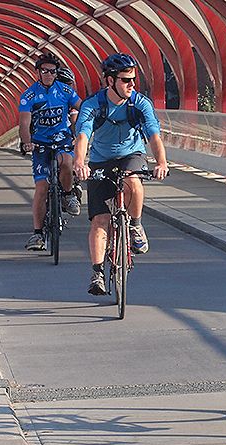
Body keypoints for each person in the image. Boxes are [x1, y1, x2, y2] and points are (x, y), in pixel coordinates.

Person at [73, 53, 169, 296]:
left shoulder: (140, 104)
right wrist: (79, 162)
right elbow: (83, 135)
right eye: (126, 80)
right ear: (110, 81)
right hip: (100, 160)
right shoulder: (93, 105)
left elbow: (154, 136)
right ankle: (97, 273)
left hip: (131, 154)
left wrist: (161, 162)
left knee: (133, 181)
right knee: (100, 220)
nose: (132, 85)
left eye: (133, 79)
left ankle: (135, 226)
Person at [19, 52, 83, 251]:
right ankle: (37, 234)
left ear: (56, 74)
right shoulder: (29, 95)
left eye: (52, 71)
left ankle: (67, 194)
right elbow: (24, 122)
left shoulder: (65, 91)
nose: (48, 74)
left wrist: (86, 128)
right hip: (40, 144)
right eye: (44, 71)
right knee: (41, 188)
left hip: (62, 140)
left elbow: (82, 107)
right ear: (38, 72)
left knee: (66, 162)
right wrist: (27, 142)